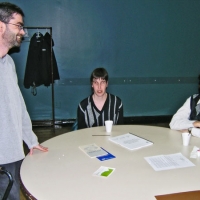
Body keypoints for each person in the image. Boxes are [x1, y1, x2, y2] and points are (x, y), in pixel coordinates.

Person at [0, 3, 48, 200]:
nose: (23, 32)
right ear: (1, 26)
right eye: (18, 26)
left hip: (13, 153)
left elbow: (18, 106)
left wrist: (31, 140)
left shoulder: (8, 63)